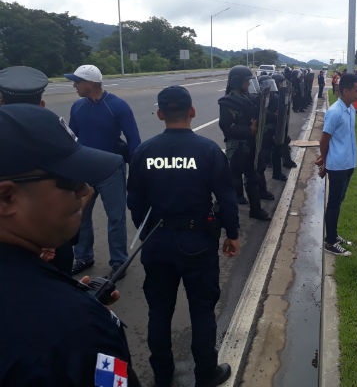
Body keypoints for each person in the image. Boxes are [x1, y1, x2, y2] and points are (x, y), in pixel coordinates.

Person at [0, 104, 139, 386]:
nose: (85, 190)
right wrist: (94, 320)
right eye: (70, 180)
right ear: (7, 198)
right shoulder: (79, 328)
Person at [127, 86, 238, 386]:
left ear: (160, 114)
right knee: (202, 310)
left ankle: (162, 375)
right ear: (192, 111)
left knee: (159, 310)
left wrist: (148, 230)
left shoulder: (144, 152)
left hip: (157, 242)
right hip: (197, 242)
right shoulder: (207, 150)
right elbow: (226, 197)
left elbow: (134, 201)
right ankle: (205, 374)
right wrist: (233, 234)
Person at [0, 65, 81, 275]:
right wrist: (53, 235)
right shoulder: (53, 136)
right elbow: (84, 189)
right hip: (53, 246)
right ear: (42, 105)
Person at [65, 64, 141, 276]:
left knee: (115, 217)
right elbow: (72, 138)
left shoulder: (117, 106)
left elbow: (134, 140)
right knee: (81, 215)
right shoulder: (78, 106)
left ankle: (118, 260)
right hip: (85, 170)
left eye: (77, 82)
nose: (74, 85)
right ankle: (83, 256)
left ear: (90, 83)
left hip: (110, 170)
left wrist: (137, 170)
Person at [315, 74, 357, 256]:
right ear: (345, 90)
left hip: (348, 162)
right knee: (334, 203)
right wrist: (324, 160)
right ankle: (330, 242)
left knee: (339, 200)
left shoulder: (349, 109)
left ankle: (334, 234)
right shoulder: (335, 112)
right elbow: (324, 139)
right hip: (337, 165)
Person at [218, 65, 271, 221]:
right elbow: (226, 127)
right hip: (237, 148)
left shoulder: (247, 97)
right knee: (235, 179)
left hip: (250, 145)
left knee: (252, 177)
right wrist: (249, 130)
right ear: (237, 82)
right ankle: (232, 216)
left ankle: (255, 210)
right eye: (246, 81)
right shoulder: (227, 102)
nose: (248, 84)